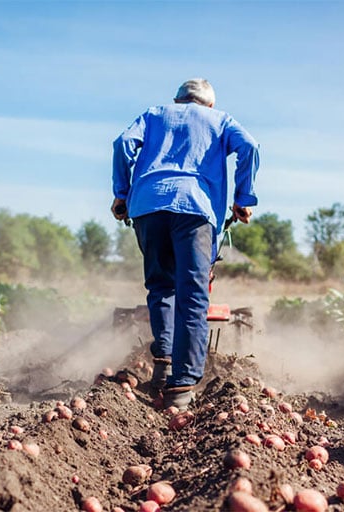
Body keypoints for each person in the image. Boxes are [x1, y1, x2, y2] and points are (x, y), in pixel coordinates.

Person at [111, 78, 260, 410]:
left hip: (148, 204)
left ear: (177, 101)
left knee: (161, 285)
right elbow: (250, 147)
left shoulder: (154, 114)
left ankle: (163, 363)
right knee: (193, 294)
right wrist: (243, 197)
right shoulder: (221, 120)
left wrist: (121, 194)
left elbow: (123, 143)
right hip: (196, 207)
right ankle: (181, 388)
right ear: (208, 104)